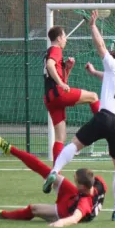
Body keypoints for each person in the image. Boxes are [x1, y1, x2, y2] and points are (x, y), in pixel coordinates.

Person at [41, 10, 115, 222]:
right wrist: (94, 73)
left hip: (103, 118)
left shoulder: (110, 64)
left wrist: (93, 25)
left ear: (112, 61)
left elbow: (101, 47)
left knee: (73, 144)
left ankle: (55, 170)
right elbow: (109, 79)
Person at [0, 136, 107, 228]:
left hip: (66, 210)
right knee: (49, 172)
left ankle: (1, 215)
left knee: (34, 209)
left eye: (75, 181)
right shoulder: (99, 182)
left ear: (83, 186)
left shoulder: (84, 203)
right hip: (74, 195)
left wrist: (61, 222)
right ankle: (11, 149)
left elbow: (74, 218)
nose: (73, 180)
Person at [44, 25, 101, 162]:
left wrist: (67, 69)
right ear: (58, 38)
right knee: (93, 96)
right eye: (64, 37)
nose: (66, 40)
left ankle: (55, 173)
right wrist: (62, 84)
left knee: (60, 138)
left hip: (49, 98)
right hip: (57, 93)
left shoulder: (49, 51)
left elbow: (57, 75)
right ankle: (103, 124)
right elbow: (50, 66)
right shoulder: (56, 50)